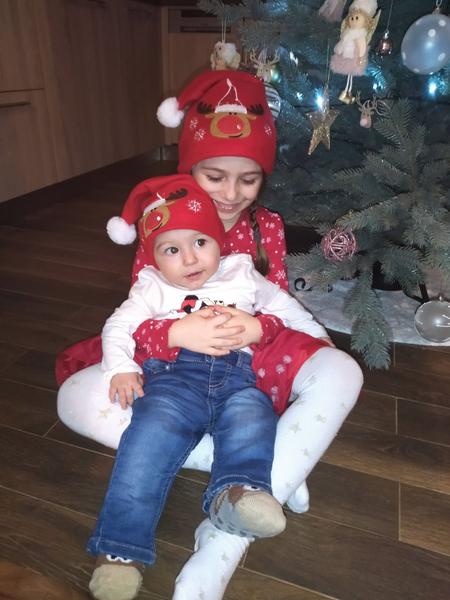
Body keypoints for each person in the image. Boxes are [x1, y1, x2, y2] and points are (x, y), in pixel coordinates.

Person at [57, 68, 363, 599]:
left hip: (251, 355)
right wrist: (178, 333)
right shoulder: (162, 226)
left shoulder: (264, 231)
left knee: (338, 374)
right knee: (74, 399)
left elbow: (280, 304)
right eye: (214, 176)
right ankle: (282, 461)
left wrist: (259, 326)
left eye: (249, 179)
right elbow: (135, 319)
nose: (231, 193)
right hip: (173, 363)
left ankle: (231, 523)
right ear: (189, 167)